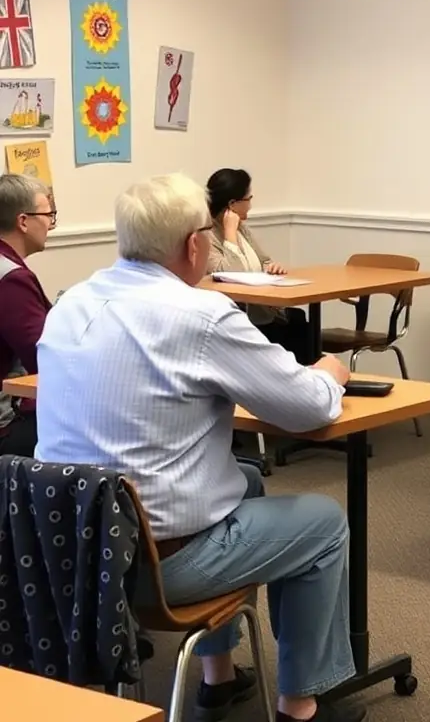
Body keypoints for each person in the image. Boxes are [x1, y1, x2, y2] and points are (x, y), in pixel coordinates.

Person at [35, 173, 364, 722]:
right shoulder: (201, 315)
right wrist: (330, 373)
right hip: (158, 563)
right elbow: (304, 407)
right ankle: (301, 705)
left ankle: (219, 677)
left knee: (247, 480)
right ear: (194, 245)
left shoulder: (71, 301)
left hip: (73, 553)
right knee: (324, 523)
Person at [207, 167, 312, 363]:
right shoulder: (207, 233)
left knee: (299, 322)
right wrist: (230, 234)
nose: (251, 205)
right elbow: (230, 275)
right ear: (232, 204)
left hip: (263, 313)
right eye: (249, 199)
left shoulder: (242, 229)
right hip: (237, 320)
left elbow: (264, 260)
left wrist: (272, 268)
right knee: (295, 332)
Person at [0, 173, 54, 455]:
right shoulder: (11, 279)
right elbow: (45, 355)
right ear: (23, 221)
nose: (50, 223)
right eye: (48, 214)